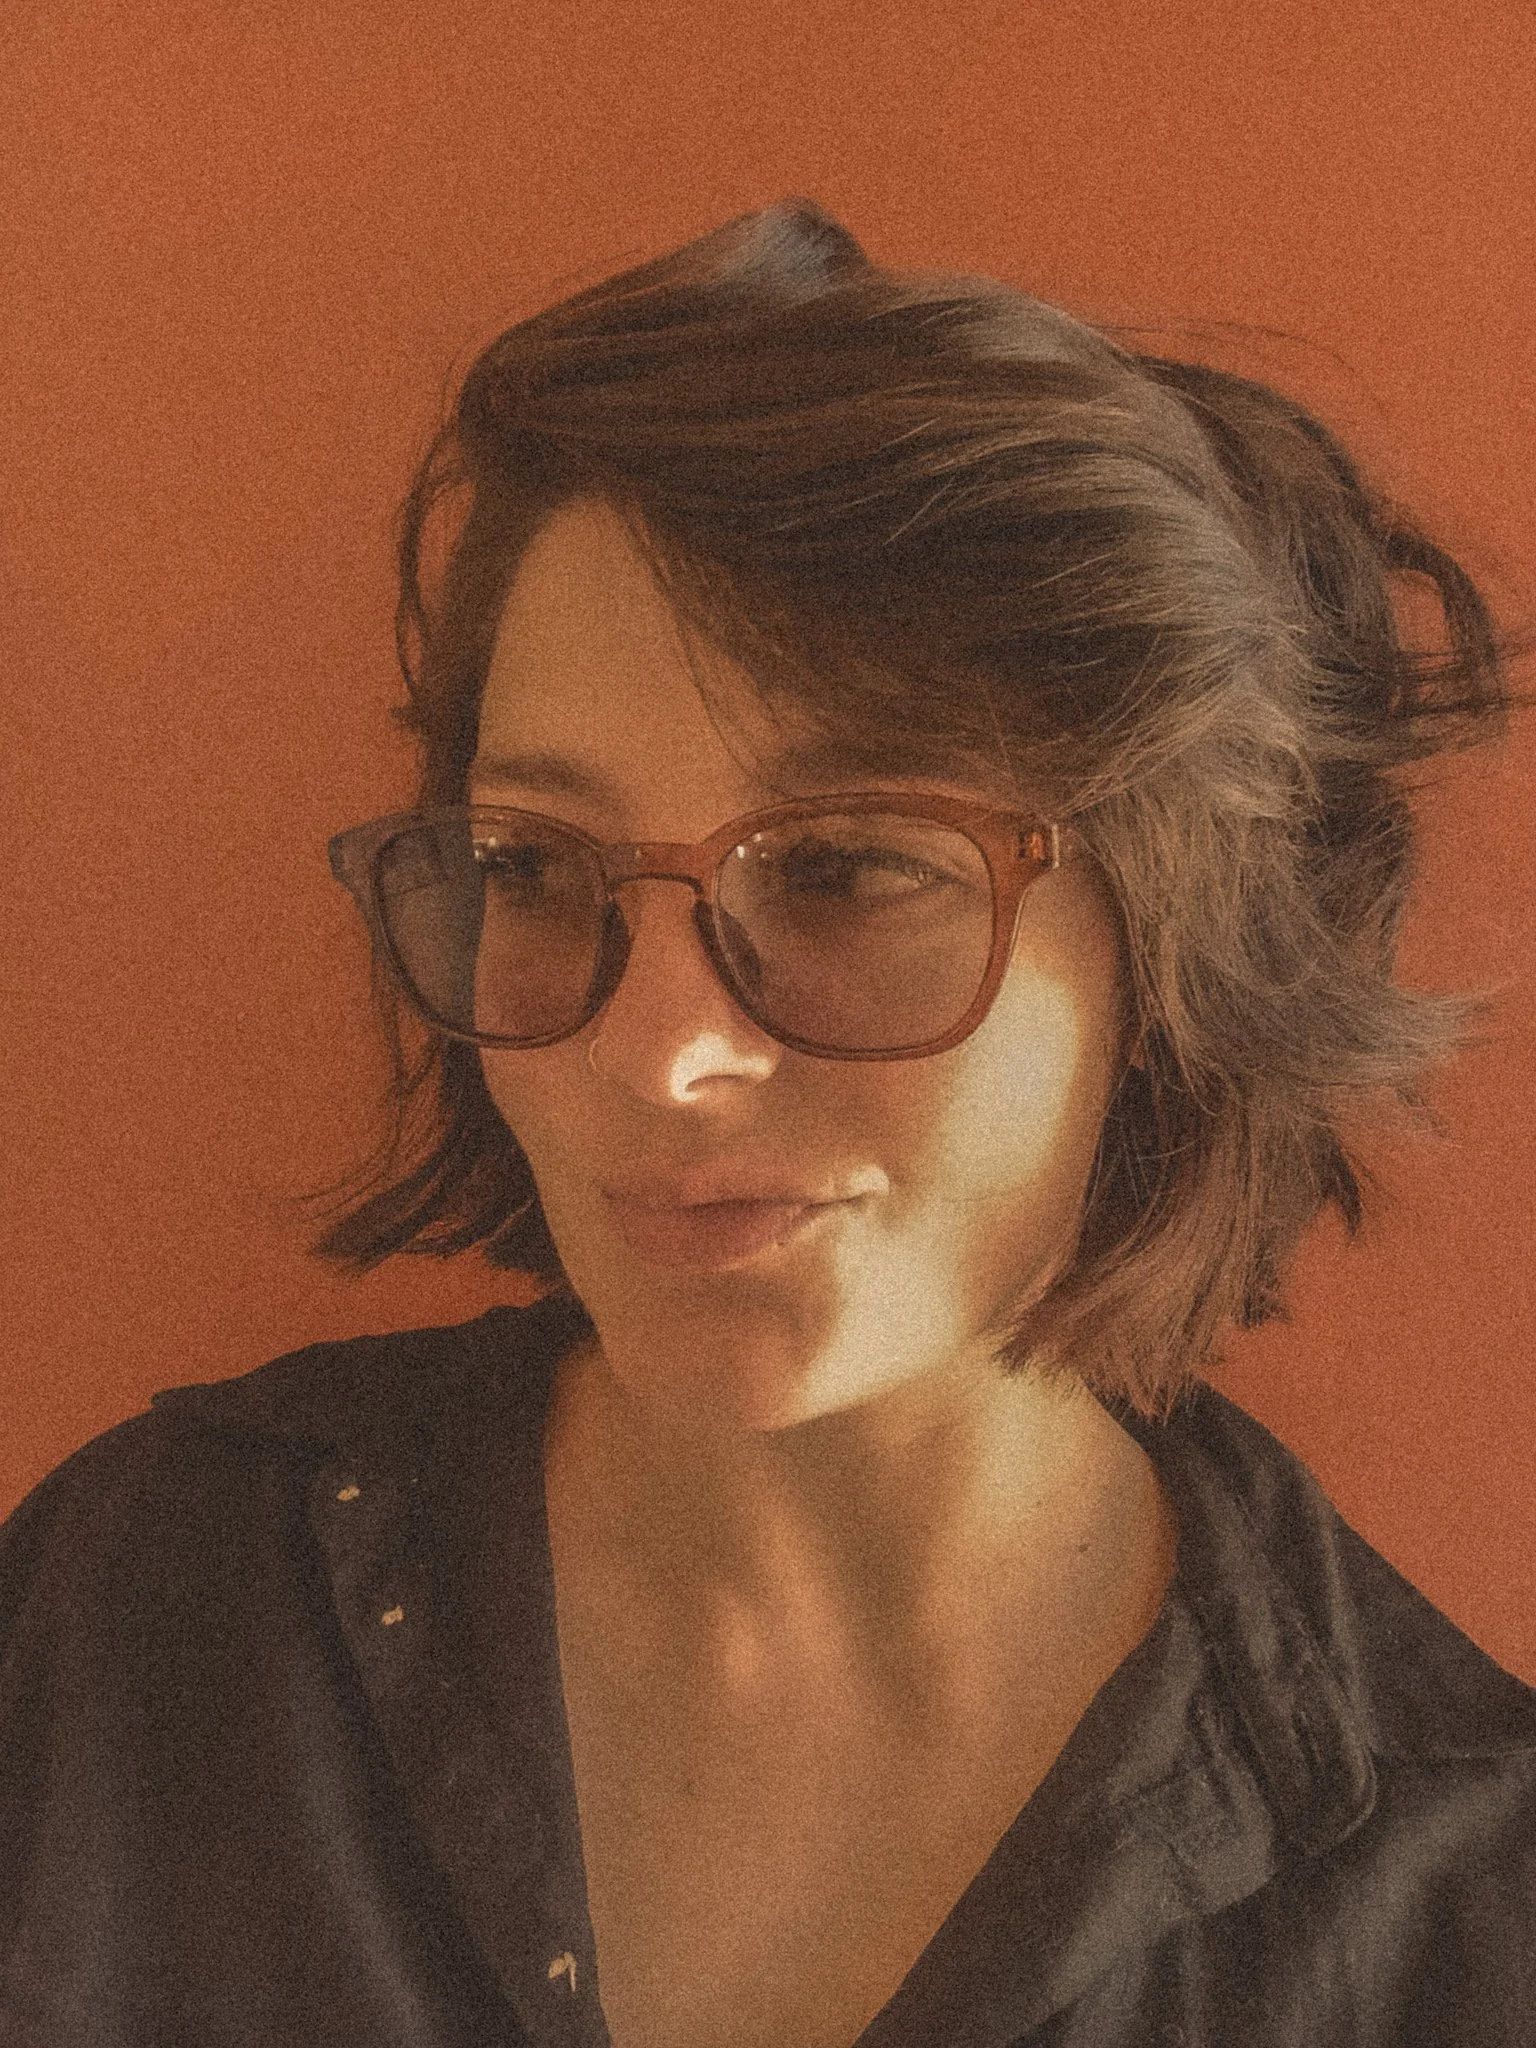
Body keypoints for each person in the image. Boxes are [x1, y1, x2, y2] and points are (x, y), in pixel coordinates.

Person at [1, 199, 1532, 2048]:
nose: (659, 1060)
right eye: (534, 864)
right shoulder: (135, 1617)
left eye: (846, 867)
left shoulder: (1464, 1913)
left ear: (1170, 948)